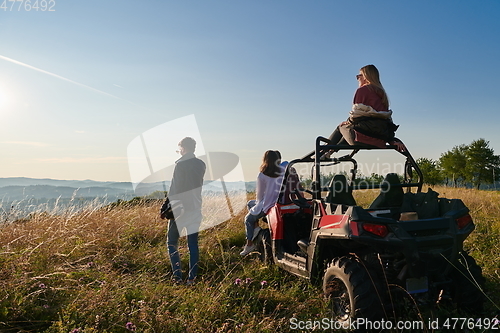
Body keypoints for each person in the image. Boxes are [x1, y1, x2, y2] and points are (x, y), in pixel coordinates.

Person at [326, 64, 405, 153]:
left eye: (359, 75)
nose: (357, 78)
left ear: (366, 76)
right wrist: (391, 140)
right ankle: (329, 152)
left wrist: (349, 121)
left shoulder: (362, 90)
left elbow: (356, 115)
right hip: (379, 140)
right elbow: (387, 120)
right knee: (349, 128)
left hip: (362, 137)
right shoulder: (382, 95)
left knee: (341, 127)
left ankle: (324, 152)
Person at [160, 137, 206, 285]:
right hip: (195, 207)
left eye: (179, 149)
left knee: (172, 242)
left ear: (184, 148)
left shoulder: (180, 165)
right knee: (192, 244)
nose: (178, 152)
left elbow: (174, 189)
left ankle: (178, 277)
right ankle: (192, 278)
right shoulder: (201, 164)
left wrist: (164, 206)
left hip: (179, 210)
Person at [240, 150, 284, 256]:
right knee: (250, 203)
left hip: (268, 204)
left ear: (265, 160)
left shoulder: (262, 175)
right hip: (278, 202)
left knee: (248, 219)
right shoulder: (283, 171)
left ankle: (249, 244)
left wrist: (258, 205)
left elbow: (259, 196)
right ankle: (256, 228)